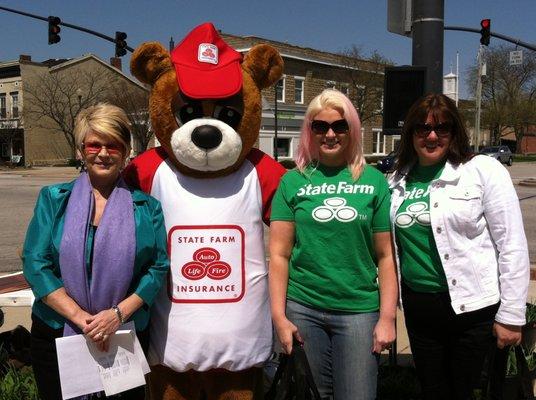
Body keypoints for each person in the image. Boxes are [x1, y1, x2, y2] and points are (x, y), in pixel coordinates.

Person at [22, 103, 170, 400]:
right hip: (57, 330)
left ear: (127, 151)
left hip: (123, 333)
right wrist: (82, 319)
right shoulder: (53, 200)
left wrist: (116, 315)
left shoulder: (147, 208)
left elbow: (157, 267)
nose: (103, 153)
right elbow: (35, 263)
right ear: (81, 150)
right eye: (94, 144)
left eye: (113, 145)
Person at [389, 93, 530, 400]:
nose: (431, 136)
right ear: (410, 133)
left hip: (473, 309)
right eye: (422, 129)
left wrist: (511, 315)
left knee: (466, 391)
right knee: (433, 390)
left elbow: (512, 245)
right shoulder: (397, 181)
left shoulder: (481, 170)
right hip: (419, 308)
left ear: (455, 132)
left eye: (442, 128)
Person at [269, 89, 398, 400]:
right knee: (311, 394)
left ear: (351, 129)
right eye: (320, 126)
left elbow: (385, 256)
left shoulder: (373, 181)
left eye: (339, 126)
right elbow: (279, 254)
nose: (330, 134)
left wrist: (387, 318)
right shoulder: (293, 181)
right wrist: (279, 318)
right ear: (310, 131)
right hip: (303, 308)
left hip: (358, 312)